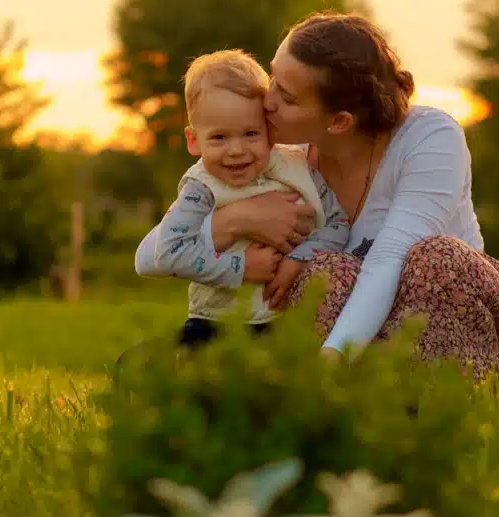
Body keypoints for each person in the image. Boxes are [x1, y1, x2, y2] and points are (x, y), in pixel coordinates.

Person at [137, 13, 499, 387]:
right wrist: (236, 219)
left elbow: (389, 260)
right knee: (325, 271)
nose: (265, 102)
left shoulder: (430, 138)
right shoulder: (287, 163)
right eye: (272, 80)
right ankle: (359, 409)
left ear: (339, 121)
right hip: (375, 348)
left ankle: (456, 411)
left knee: (434, 258)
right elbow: (152, 255)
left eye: (285, 96)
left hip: (481, 339)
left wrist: (332, 359)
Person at [143, 49, 350, 348]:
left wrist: (297, 260)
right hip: (214, 324)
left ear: (270, 132)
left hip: (283, 321)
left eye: (251, 134)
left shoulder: (296, 168)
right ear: (193, 140)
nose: (237, 150)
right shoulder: (201, 188)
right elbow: (170, 252)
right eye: (219, 138)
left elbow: (338, 225)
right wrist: (240, 267)